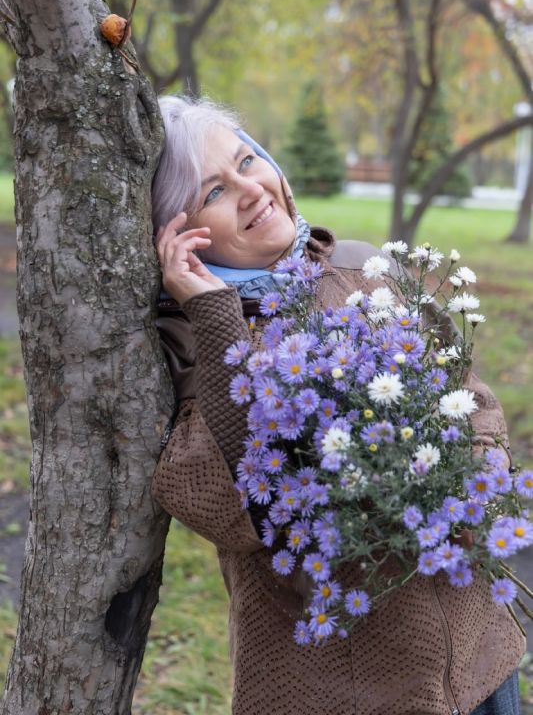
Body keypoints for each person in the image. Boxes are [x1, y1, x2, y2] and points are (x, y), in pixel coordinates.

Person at [151, 95, 525, 715]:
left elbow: (469, 392)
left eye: (249, 160)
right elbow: (229, 505)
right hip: (349, 679)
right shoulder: (188, 340)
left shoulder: (358, 266)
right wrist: (214, 317)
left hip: (474, 635)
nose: (252, 189)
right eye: (214, 191)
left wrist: (476, 477)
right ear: (175, 233)